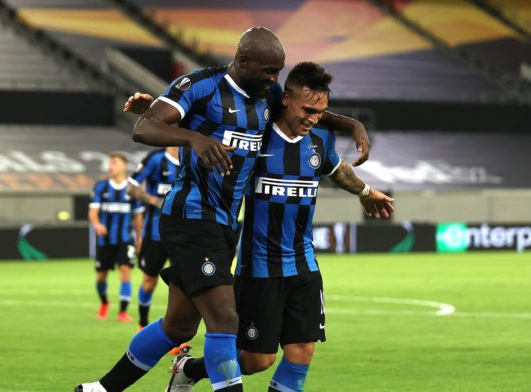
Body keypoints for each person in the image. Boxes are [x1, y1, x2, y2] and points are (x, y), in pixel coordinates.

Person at [76, 26, 370, 392]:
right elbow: (144, 128)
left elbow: (303, 112)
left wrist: (352, 124)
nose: (274, 80)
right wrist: (194, 138)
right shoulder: (199, 86)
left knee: (179, 326)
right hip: (190, 216)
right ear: (243, 61)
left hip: (224, 224)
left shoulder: (267, 95)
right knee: (224, 319)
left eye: (278, 73)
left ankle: (102, 389)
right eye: (268, 72)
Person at [165, 62, 395, 392]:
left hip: (303, 264)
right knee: (258, 360)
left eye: (321, 112)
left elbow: (338, 169)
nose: (313, 118)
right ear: (285, 99)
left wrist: (364, 192)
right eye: (308, 110)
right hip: (259, 267)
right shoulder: (256, 138)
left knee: (303, 350)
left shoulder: (320, 142)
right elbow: (210, 135)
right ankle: (190, 368)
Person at [127, 147, 179, 330]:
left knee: (181, 285)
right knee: (149, 281)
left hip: (183, 235)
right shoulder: (156, 158)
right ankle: (142, 323)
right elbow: (131, 188)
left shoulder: (193, 154)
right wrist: (154, 200)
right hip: (155, 232)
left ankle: (177, 333)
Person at [89, 152, 144, 323]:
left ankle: (122, 312)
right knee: (101, 276)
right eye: (109, 163)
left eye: (114, 163)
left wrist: (140, 238)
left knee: (125, 271)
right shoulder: (101, 187)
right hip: (105, 239)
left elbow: (138, 217)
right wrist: (97, 225)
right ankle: (104, 302)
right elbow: (93, 212)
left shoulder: (132, 189)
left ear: (124, 166)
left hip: (125, 238)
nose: (110, 166)